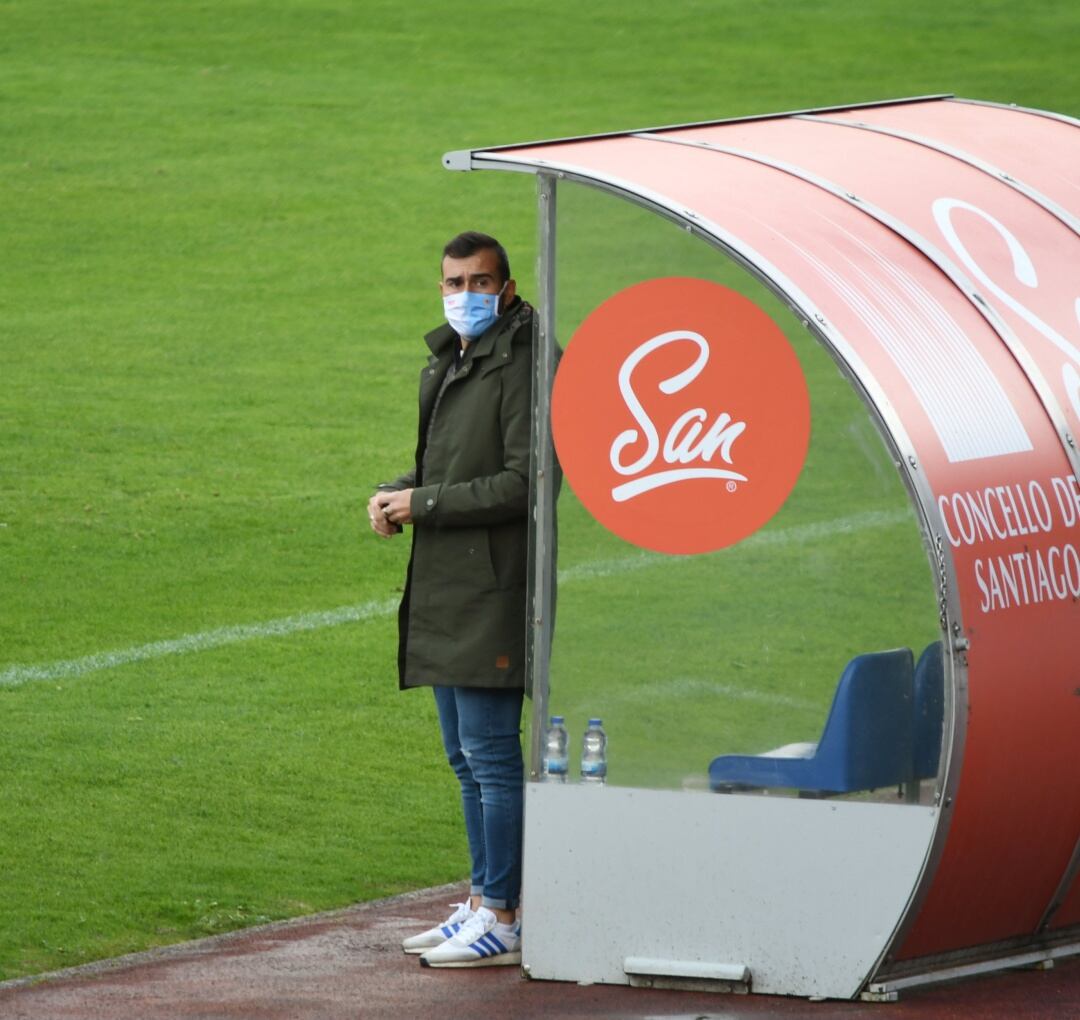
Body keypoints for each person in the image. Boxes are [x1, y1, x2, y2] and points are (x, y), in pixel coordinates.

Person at [368, 231, 533, 968]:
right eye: (451, 282)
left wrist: (423, 505)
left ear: (506, 285)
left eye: (477, 281)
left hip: (493, 586)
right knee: (464, 759)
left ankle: (506, 912)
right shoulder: (454, 357)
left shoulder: (526, 363)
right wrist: (397, 491)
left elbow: (525, 484)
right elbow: (447, 464)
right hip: (449, 584)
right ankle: (481, 899)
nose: (462, 294)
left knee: (492, 758)